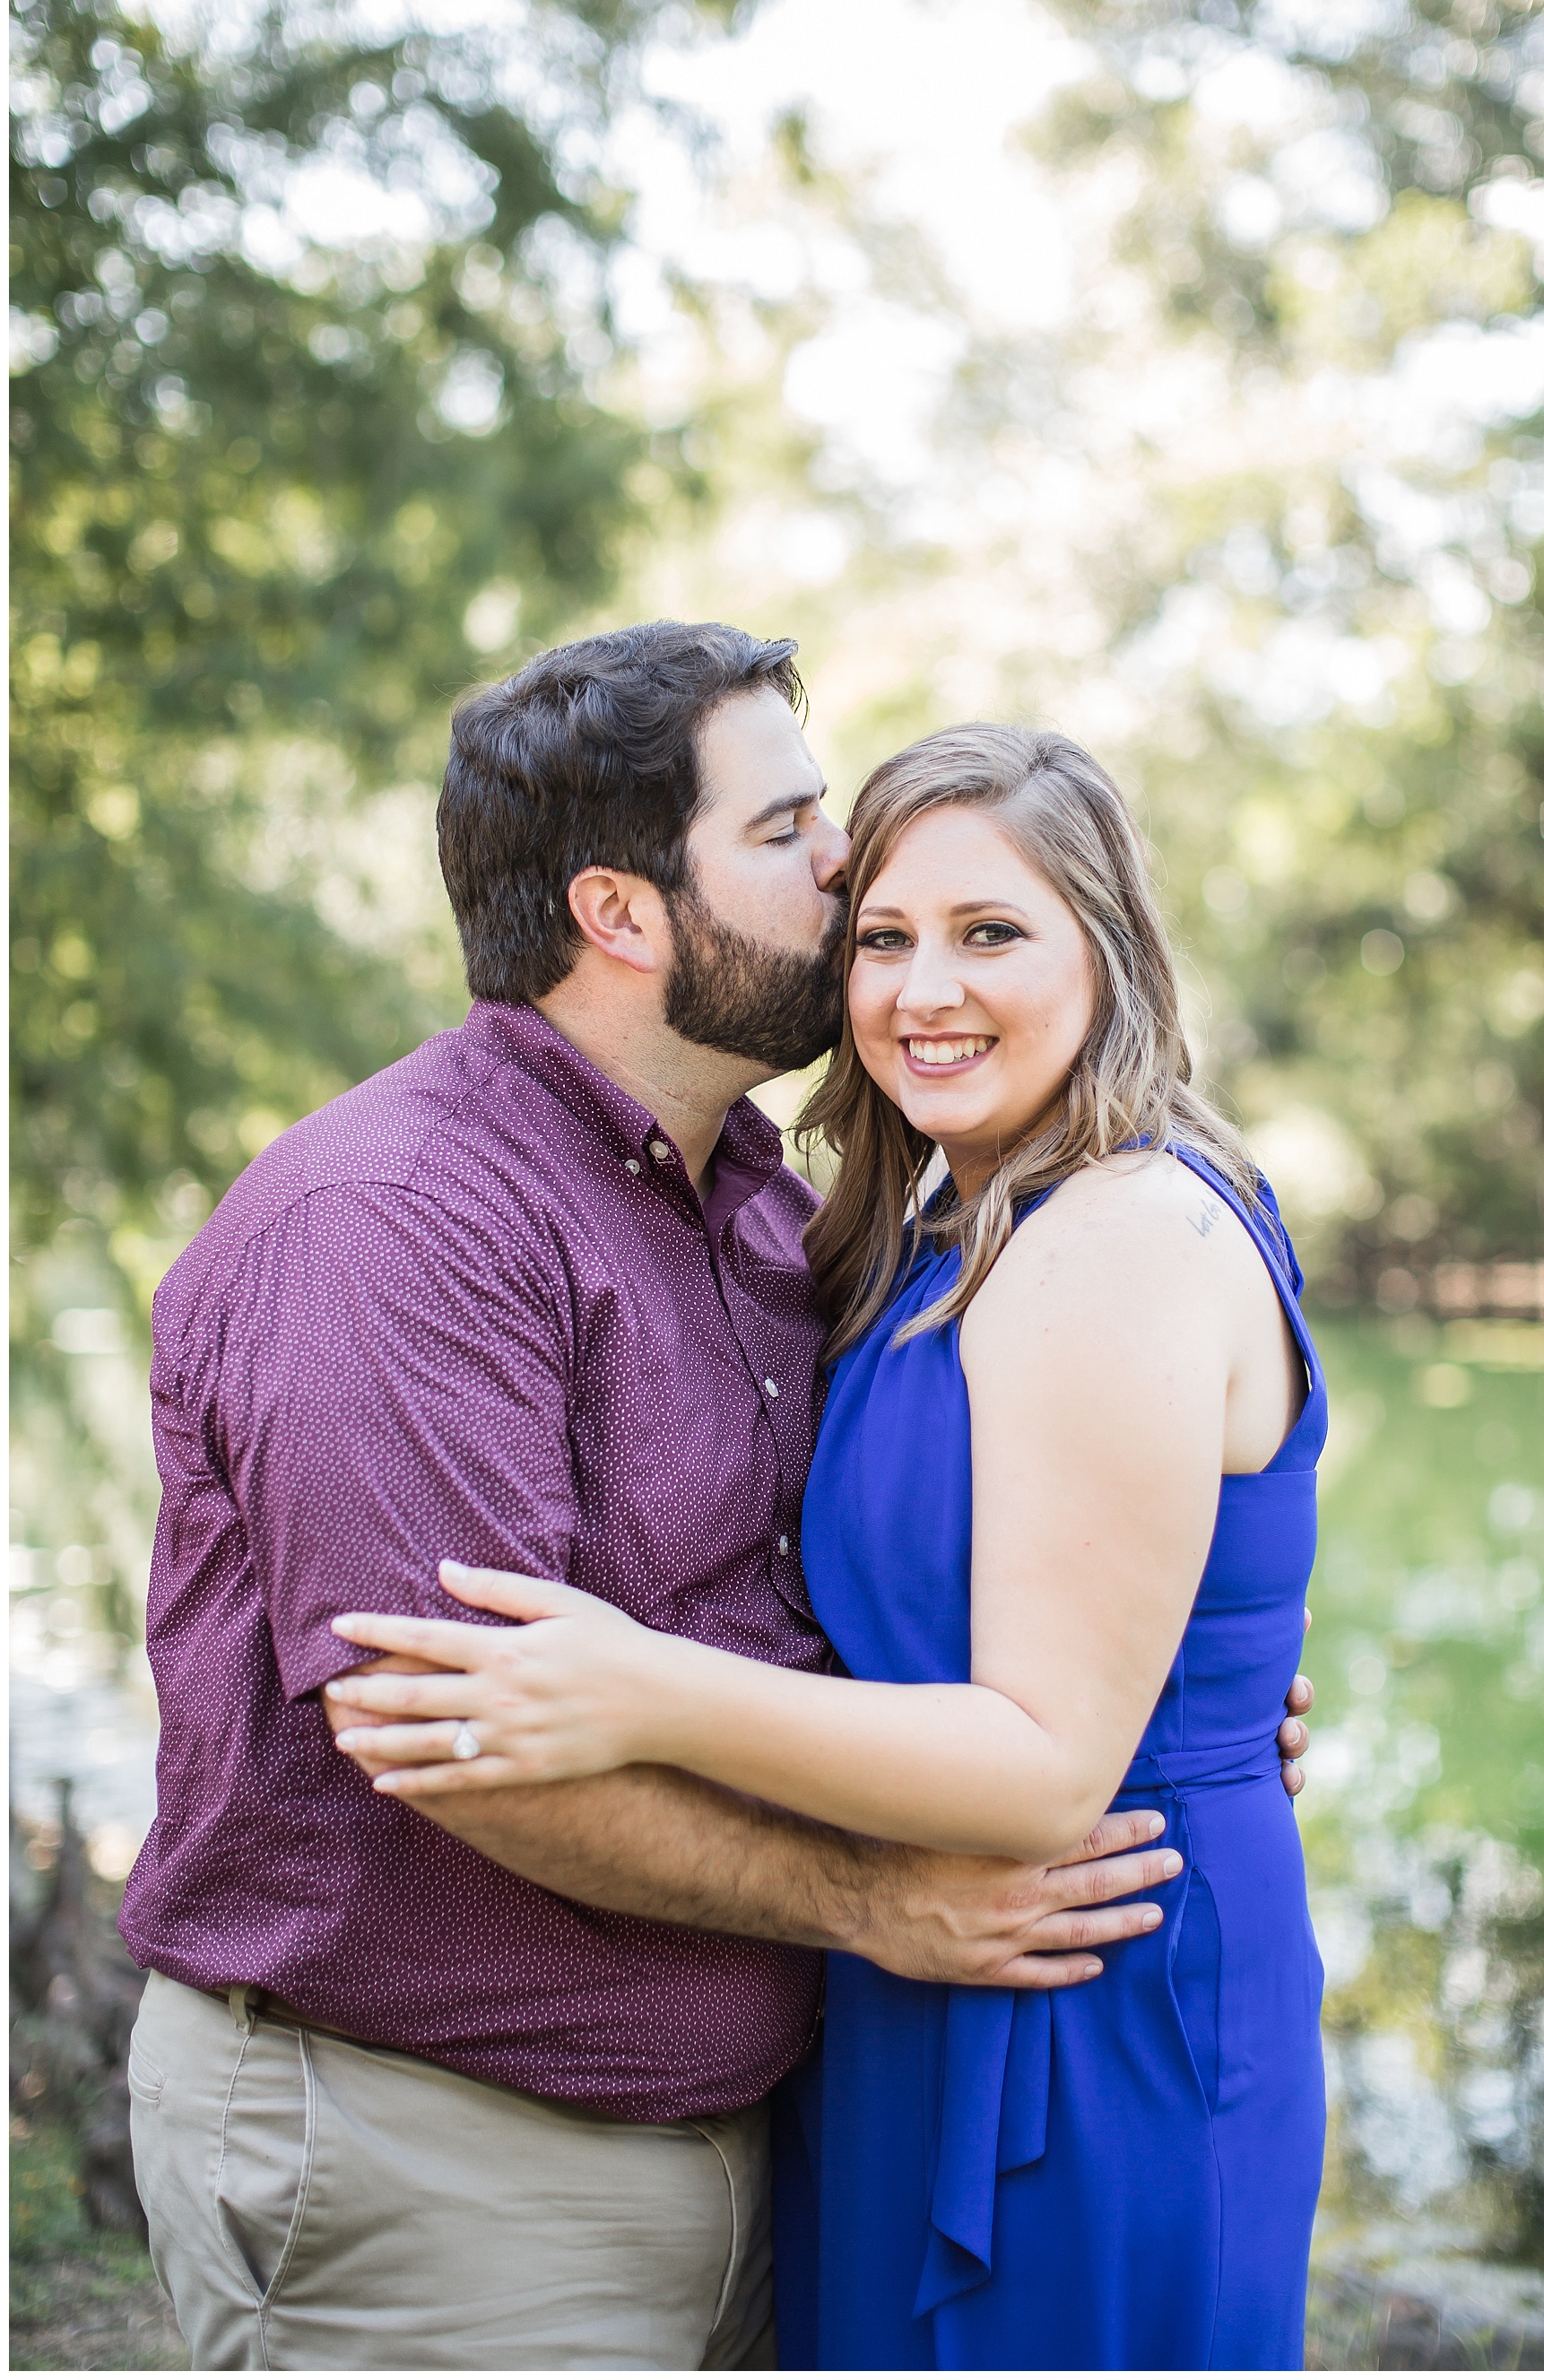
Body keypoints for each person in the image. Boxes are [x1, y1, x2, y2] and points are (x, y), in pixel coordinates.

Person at [122, 627, 1320, 2372]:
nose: (843, 871)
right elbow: (472, 1733)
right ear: (624, 911)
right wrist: (866, 1905)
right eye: (792, 833)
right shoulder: (395, 1222)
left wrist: (1187, 1690)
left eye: (983, 925)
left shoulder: (777, 1206)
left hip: (814, 2097)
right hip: (450, 2153)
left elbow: (911, 1573)